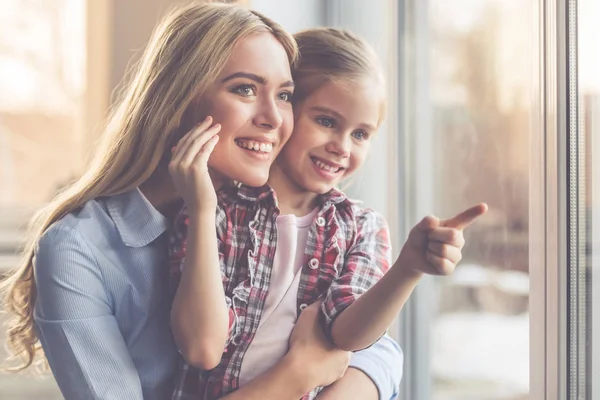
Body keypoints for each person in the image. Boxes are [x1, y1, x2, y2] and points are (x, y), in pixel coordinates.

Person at [1, 3, 402, 400]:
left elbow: (377, 350)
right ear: (179, 99)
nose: (274, 118)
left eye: (284, 95)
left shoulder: (294, 224)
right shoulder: (77, 248)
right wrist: (297, 374)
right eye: (244, 89)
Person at [168, 27, 485, 399]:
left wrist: (408, 268)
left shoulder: (361, 228)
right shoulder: (213, 210)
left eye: (361, 134)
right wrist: (203, 211)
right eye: (327, 121)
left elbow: (347, 337)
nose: (341, 147)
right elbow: (201, 349)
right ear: (287, 110)